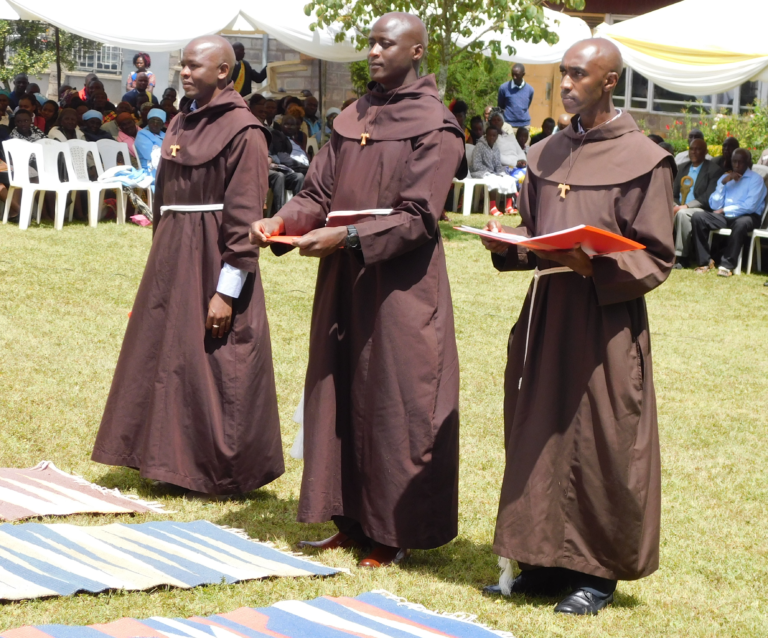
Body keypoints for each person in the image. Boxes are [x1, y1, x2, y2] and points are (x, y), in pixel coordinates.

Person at [249, 11, 465, 568]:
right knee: (340, 387)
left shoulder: (435, 126)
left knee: (395, 400)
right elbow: (316, 192)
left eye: (385, 43)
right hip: (344, 278)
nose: (372, 52)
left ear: (416, 52)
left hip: (400, 286)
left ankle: (392, 531)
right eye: (369, 42)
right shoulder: (353, 117)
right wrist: (282, 222)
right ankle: (348, 519)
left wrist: (345, 238)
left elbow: (419, 218)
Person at [481, 38, 674, 616]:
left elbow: (656, 255)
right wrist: (507, 244)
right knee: (538, 431)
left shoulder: (646, 159)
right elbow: (537, 236)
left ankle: (595, 572)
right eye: (563, 74)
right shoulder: (543, 154)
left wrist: (595, 266)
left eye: (577, 75)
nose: (565, 84)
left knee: (601, 439)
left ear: (609, 81)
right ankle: (540, 558)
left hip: (604, 324)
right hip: (546, 317)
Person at [91, 35, 282, 497]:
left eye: (195, 65)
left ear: (222, 71)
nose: (185, 72)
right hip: (172, 256)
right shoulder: (179, 121)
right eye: (182, 65)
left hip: (213, 259)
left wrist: (227, 289)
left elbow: (243, 218)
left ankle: (215, 469)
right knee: (165, 355)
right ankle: (161, 457)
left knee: (212, 360)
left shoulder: (244, 131)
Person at [692, 148, 767, 277]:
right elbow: (714, 204)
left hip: (748, 216)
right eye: (734, 162)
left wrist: (724, 210)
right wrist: (723, 183)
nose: (737, 165)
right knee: (698, 217)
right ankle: (705, 261)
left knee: (741, 224)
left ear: (748, 163)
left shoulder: (756, 179)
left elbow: (750, 206)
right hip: (725, 216)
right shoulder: (725, 177)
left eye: (741, 162)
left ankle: (727, 265)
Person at [672, 138, 724, 266]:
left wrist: (685, 206)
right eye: (691, 149)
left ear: (705, 152)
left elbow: (707, 197)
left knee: (682, 214)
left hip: (700, 209)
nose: (694, 152)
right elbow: (673, 193)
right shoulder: (682, 168)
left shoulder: (713, 170)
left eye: (698, 149)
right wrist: (674, 205)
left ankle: (682, 257)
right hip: (679, 205)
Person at [470, 126, 517, 216]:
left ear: (497, 136)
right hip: (479, 172)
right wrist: (491, 172)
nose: (492, 137)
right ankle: (492, 207)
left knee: (509, 179)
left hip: (492, 173)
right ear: (486, 135)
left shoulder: (496, 147)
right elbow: (476, 165)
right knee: (493, 180)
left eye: (494, 136)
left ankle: (508, 206)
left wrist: (502, 173)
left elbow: (498, 165)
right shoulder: (479, 146)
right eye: (490, 135)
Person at [497, 63, 533, 130]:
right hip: (508, 126)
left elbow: (527, 106)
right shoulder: (504, 88)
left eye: (517, 75)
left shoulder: (530, 89)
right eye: (513, 74)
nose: (514, 77)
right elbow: (500, 107)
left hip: (524, 126)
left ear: (523, 74)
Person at [134, 108, 166, 179]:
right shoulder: (142, 134)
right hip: (149, 170)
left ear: (163, 124)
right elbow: (151, 155)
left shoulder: (165, 135)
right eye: (152, 121)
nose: (155, 124)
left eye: (158, 122)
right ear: (148, 122)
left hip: (164, 166)